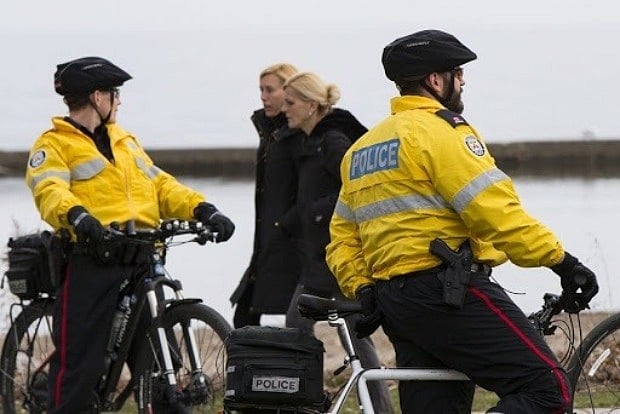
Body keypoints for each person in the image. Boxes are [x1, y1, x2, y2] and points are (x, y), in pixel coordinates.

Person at [325, 29, 599, 414]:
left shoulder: (362, 149)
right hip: (448, 292)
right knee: (548, 391)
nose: (463, 81)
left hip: (395, 302)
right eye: (457, 72)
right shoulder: (440, 131)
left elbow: (342, 239)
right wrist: (561, 262)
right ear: (435, 80)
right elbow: (494, 211)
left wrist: (362, 287)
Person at [25, 56, 235, 413]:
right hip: (92, 260)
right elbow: (49, 191)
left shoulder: (125, 141)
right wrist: (78, 216)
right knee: (79, 369)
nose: (119, 101)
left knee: (160, 369)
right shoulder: (54, 145)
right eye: (115, 94)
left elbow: (160, 185)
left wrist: (202, 208)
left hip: (141, 260)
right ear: (98, 97)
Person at [281, 71, 393, 414]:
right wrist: (296, 219)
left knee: (336, 330)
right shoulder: (312, 140)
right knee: (309, 325)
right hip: (322, 255)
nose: (284, 109)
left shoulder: (332, 140)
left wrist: (316, 214)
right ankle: (313, 398)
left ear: (311, 105)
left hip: (338, 256)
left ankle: (316, 400)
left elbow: (357, 186)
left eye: (290, 102)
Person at [229, 63, 304, 328]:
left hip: (291, 243)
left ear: (289, 91)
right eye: (261, 90)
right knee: (245, 316)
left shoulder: (297, 134)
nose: (263, 97)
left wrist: (286, 223)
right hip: (267, 243)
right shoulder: (269, 132)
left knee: (297, 320)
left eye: (270, 90)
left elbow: (309, 189)